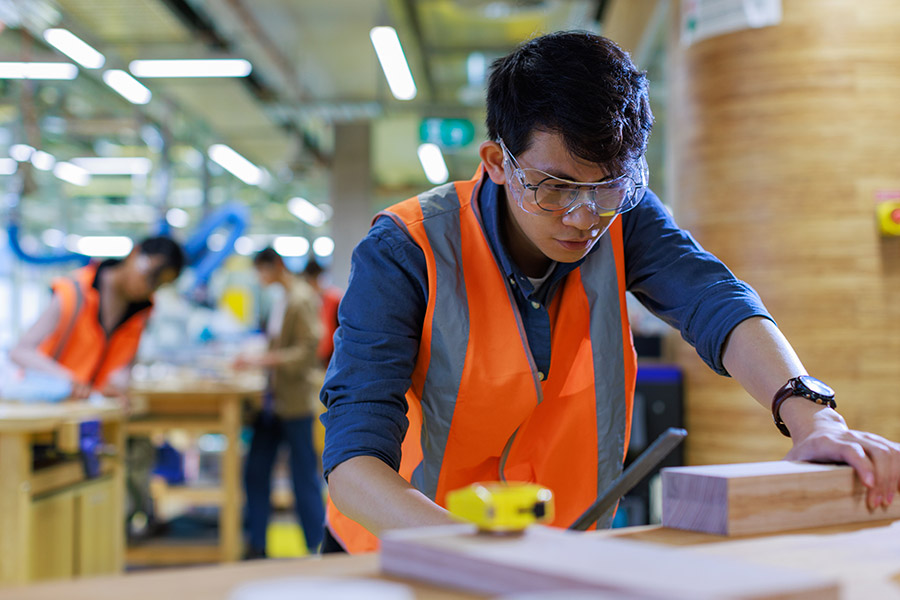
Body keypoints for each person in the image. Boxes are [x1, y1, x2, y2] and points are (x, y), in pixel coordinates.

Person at [320, 31, 900, 554]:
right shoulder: (406, 248)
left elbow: (715, 298)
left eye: (609, 187)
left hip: (564, 554)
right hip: (404, 551)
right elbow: (353, 462)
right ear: (498, 162)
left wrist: (813, 418)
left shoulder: (625, 218)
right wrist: (463, 547)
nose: (583, 217)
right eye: (555, 187)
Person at [10, 235, 185, 399]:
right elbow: (21, 351)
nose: (148, 287)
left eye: (159, 284)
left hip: (88, 416)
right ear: (134, 254)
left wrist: (117, 386)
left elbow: (124, 367)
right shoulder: (74, 292)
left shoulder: (142, 313)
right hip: (46, 408)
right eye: (149, 276)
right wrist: (68, 381)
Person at [235, 247, 325, 557]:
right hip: (271, 403)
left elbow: (307, 351)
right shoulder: (280, 299)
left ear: (276, 266)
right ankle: (256, 544)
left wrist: (265, 359)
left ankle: (316, 544)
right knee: (256, 471)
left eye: (262, 270)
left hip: (294, 402)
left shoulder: (300, 298)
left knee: (303, 477)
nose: (260, 278)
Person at [302, 257, 342, 367]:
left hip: (331, 357)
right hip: (318, 357)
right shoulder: (310, 299)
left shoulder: (334, 298)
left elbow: (335, 331)